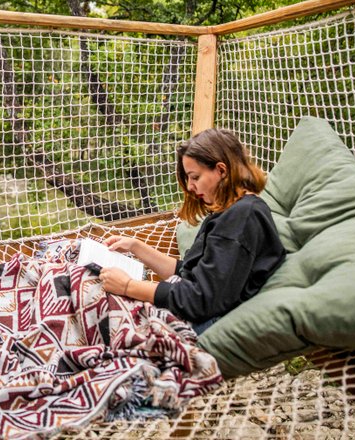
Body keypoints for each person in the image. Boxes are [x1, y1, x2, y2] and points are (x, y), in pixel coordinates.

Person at [98, 128, 285, 335]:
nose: (190, 187)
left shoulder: (242, 217)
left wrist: (128, 286)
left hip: (192, 325)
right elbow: (189, 272)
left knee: (83, 284)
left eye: (194, 177)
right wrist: (135, 246)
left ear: (221, 170)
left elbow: (200, 299)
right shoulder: (231, 213)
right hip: (183, 310)